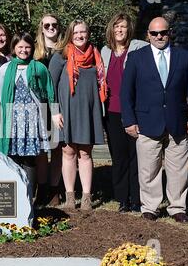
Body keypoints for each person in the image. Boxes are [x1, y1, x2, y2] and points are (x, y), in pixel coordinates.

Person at [120, 17, 188, 223]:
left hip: (178, 123)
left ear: (170, 33)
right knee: (149, 169)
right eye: (155, 33)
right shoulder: (136, 58)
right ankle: (150, 207)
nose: (159, 37)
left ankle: (177, 208)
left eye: (163, 33)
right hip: (147, 123)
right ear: (148, 35)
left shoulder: (184, 57)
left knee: (178, 170)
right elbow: (126, 93)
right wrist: (129, 121)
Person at [49, 20, 107, 210]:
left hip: (88, 111)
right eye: (76, 33)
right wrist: (55, 112)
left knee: (85, 153)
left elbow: (101, 85)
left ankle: (87, 198)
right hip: (66, 112)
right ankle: (70, 196)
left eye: (83, 32)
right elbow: (51, 86)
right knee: (68, 152)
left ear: (88, 34)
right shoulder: (60, 56)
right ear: (70, 35)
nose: (80, 36)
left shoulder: (95, 56)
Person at [0, 32, 56, 201]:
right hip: (12, 119)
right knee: (13, 157)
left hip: (31, 119)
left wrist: (53, 112)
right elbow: (2, 94)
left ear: (32, 48)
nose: (24, 50)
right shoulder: (5, 69)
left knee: (30, 159)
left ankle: (29, 196)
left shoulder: (39, 68)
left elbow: (48, 90)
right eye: (20, 47)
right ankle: (14, 197)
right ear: (14, 48)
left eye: (27, 47)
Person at [101, 13, 148, 213]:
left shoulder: (138, 48)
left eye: (123, 26)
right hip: (111, 112)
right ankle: (122, 199)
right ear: (111, 29)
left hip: (134, 111)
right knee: (119, 157)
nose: (119, 30)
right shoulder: (104, 51)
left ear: (129, 29)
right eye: (116, 26)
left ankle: (137, 199)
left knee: (136, 157)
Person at [33, 13, 64, 207]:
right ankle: (42, 189)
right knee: (42, 150)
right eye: (47, 25)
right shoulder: (35, 52)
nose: (51, 28)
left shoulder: (65, 50)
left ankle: (55, 189)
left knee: (58, 148)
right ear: (41, 28)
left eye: (54, 24)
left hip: (60, 105)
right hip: (39, 105)